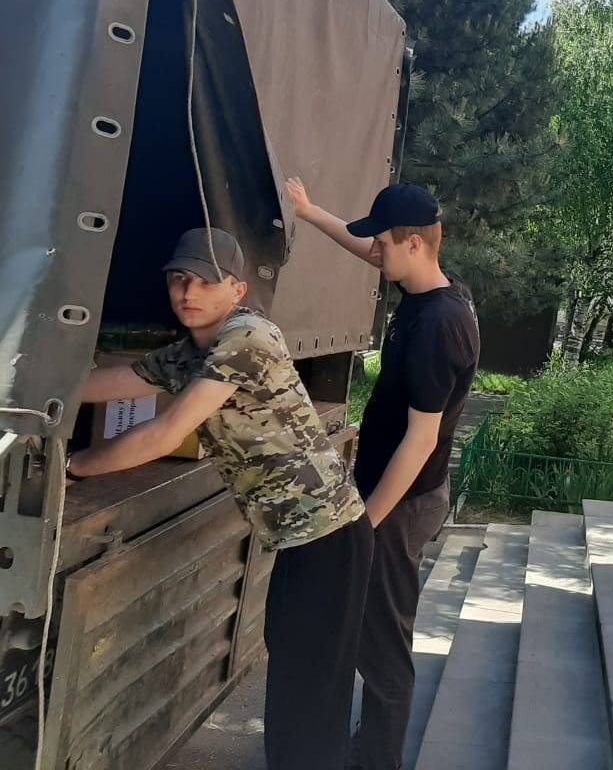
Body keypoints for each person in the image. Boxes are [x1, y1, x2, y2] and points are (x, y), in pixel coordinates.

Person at [73, 227, 372, 770]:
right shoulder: (194, 351)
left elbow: (165, 434)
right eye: (179, 279)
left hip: (328, 536)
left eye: (206, 281)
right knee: (295, 672)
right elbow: (112, 384)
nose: (188, 292)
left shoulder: (246, 336)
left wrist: (74, 466)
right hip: (301, 536)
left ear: (237, 290)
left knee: (310, 684)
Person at [287, 179, 480, 770]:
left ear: (414, 243)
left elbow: (421, 441)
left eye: (385, 242)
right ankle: (368, 749)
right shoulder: (430, 287)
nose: (375, 253)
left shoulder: (438, 325)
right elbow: (365, 248)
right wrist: (310, 213)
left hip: (403, 502)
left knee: (384, 643)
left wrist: (365, 523)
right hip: (396, 494)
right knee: (372, 631)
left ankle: (377, 761)